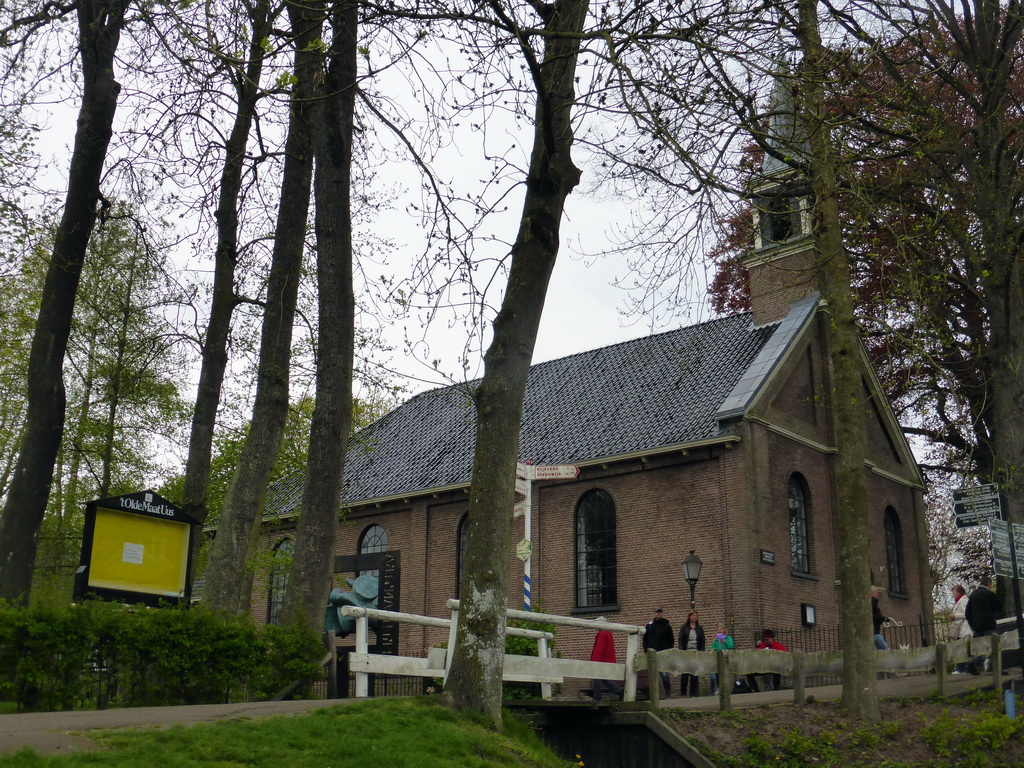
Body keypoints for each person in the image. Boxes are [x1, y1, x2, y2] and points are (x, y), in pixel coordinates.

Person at [965, 575, 1002, 675]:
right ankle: (996, 669)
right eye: (991, 584)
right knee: (994, 646)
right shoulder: (988, 594)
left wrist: (972, 624)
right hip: (988, 624)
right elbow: (998, 605)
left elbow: (967, 612)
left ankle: (971, 664)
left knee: (978, 647)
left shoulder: (973, 594)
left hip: (976, 626)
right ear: (989, 584)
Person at [642, 607, 674, 697]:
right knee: (652, 675)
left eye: (660, 612)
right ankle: (653, 694)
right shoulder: (649, 625)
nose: (658, 614)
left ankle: (668, 693)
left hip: (663, 654)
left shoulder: (666, 626)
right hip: (652, 653)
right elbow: (645, 639)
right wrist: (646, 650)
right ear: (654, 613)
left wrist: (667, 651)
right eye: (657, 612)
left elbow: (671, 640)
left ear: (662, 613)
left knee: (664, 674)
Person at [589, 618, 622, 701]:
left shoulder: (602, 633)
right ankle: (618, 690)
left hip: (601, 660)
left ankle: (597, 697)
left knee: (596, 677)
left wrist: (594, 662)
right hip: (607, 660)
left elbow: (599, 649)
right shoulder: (608, 633)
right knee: (604, 679)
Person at [677, 609, 706, 697]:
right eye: (693, 615)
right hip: (687, 652)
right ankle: (683, 694)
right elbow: (681, 639)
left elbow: (702, 641)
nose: (695, 617)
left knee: (694, 674)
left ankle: (693, 694)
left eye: (696, 616)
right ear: (689, 617)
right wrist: (682, 651)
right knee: (685, 674)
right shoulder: (684, 627)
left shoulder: (699, 628)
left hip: (695, 652)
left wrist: (701, 652)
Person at [949, 584, 971, 674]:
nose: (953, 594)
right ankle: (962, 668)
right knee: (963, 648)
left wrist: (955, 615)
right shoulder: (959, 601)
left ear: (958, 592)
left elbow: (968, 613)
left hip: (964, 628)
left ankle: (961, 669)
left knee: (961, 648)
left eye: (954, 591)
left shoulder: (963, 601)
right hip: (961, 629)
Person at [708, 624, 734, 695]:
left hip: (725, 659)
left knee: (724, 674)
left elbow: (731, 646)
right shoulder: (716, 640)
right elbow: (711, 647)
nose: (719, 631)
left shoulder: (727, 638)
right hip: (717, 659)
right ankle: (716, 689)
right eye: (718, 629)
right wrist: (712, 649)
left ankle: (724, 690)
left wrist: (724, 641)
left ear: (724, 631)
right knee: (715, 675)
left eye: (721, 629)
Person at [872, 586, 890, 651]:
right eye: (875, 592)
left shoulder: (872, 602)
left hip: (874, 631)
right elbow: (875, 615)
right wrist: (884, 619)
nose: (877, 593)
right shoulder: (873, 601)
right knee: (885, 649)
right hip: (875, 632)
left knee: (880, 650)